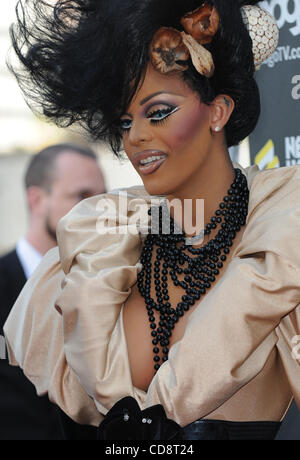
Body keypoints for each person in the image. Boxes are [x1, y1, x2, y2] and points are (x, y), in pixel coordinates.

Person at [4, 0, 300, 440]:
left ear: (218, 111)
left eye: (158, 112)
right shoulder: (93, 251)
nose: (136, 136)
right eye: (125, 121)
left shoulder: (280, 246)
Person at [0, 143, 106, 440]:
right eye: (82, 195)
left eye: (102, 197)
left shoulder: (117, 286)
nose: (96, 210)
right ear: (36, 200)